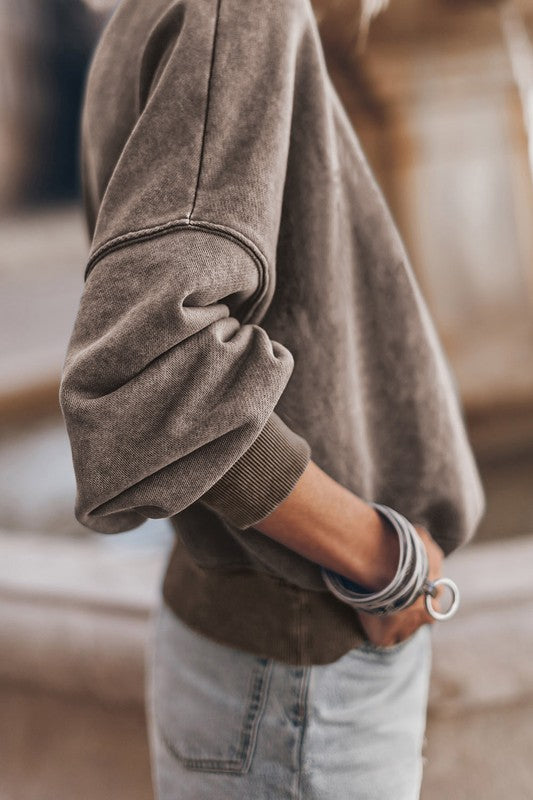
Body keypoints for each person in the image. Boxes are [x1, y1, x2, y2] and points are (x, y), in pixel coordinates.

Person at [60, 0, 486, 797]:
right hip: (304, 658)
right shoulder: (239, 10)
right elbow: (155, 363)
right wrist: (381, 560)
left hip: (265, 656)